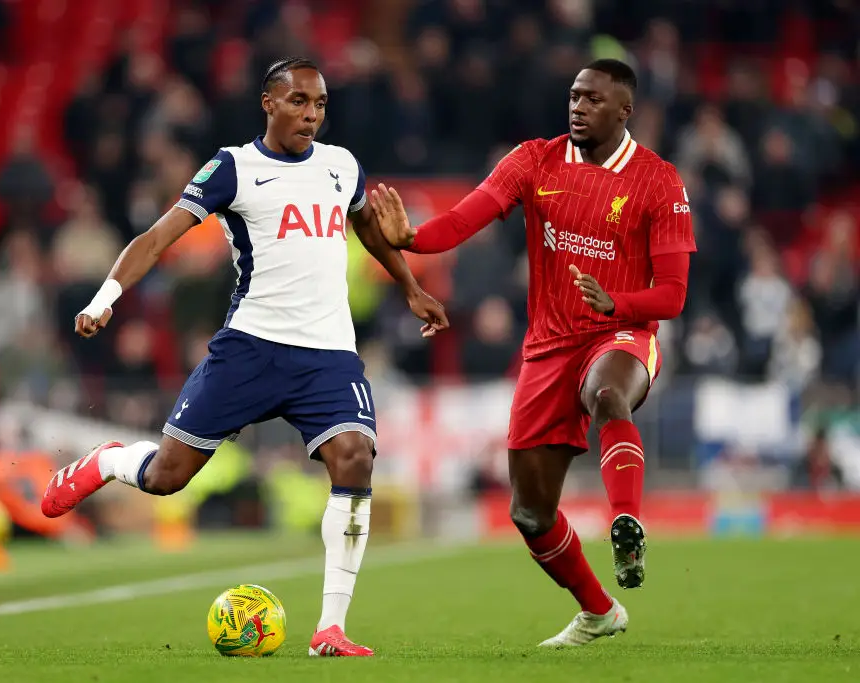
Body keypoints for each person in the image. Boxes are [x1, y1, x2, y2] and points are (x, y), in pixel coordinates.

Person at [40, 57, 448, 657]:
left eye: (319, 104)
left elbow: (367, 227)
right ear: (268, 102)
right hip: (250, 349)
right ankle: (108, 462)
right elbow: (157, 238)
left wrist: (410, 287)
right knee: (167, 478)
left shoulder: (341, 167)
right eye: (299, 102)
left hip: (327, 353)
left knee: (355, 457)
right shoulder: (233, 168)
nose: (311, 114)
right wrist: (106, 300)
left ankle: (330, 629)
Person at [371, 59, 695, 647]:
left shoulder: (658, 181)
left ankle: (626, 520)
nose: (577, 107)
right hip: (547, 347)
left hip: (621, 332)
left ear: (625, 110)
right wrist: (413, 239)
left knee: (607, 392)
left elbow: (672, 295)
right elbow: (466, 217)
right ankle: (600, 611)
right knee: (530, 513)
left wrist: (616, 302)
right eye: (573, 96)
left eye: (593, 99)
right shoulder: (534, 159)